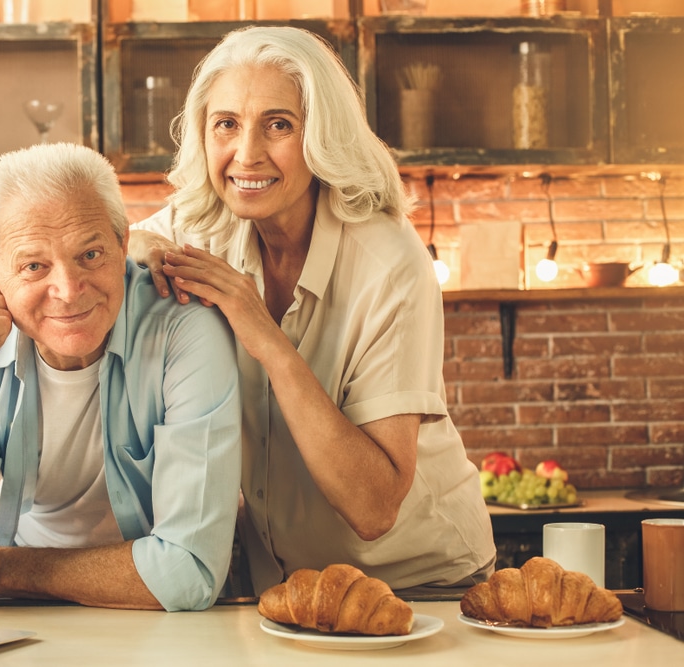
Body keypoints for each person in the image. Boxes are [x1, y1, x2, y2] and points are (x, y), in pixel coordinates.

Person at [130, 26, 496, 595]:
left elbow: (373, 508)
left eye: (279, 125)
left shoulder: (390, 263)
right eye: (226, 123)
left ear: (322, 135)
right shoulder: (202, 227)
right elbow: (109, 241)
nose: (246, 154)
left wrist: (266, 338)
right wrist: (143, 247)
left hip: (419, 583)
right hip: (288, 589)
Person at [0, 142, 241, 613]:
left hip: (147, 619)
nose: (69, 291)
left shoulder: (183, 327)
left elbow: (187, 573)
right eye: (34, 266)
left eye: (90, 254)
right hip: (18, 617)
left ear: (122, 246)